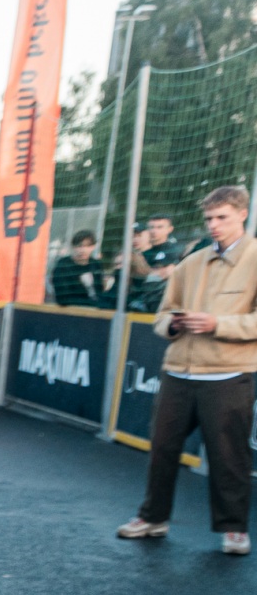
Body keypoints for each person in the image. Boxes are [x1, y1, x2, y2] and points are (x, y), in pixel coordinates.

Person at [115, 186, 257, 556]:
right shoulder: (191, 263)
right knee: (162, 449)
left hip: (228, 375)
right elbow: (162, 315)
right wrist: (173, 325)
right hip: (178, 372)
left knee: (229, 457)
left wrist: (217, 323)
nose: (213, 225)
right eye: (209, 218)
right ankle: (152, 518)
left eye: (222, 217)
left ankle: (234, 529)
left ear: (242, 215)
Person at [131, 213, 183, 314]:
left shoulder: (172, 250)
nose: (154, 231)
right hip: (137, 299)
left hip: (157, 303)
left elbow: (165, 274)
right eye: (151, 227)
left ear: (170, 229)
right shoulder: (144, 251)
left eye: (159, 227)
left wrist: (144, 270)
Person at [50, 231, 109, 308]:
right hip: (73, 309)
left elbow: (100, 290)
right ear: (73, 247)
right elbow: (62, 298)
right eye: (79, 246)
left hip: (96, 309)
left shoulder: (96, 264)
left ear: (93, 247)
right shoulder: (63, 265)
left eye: (88, 246)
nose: (83, 250)